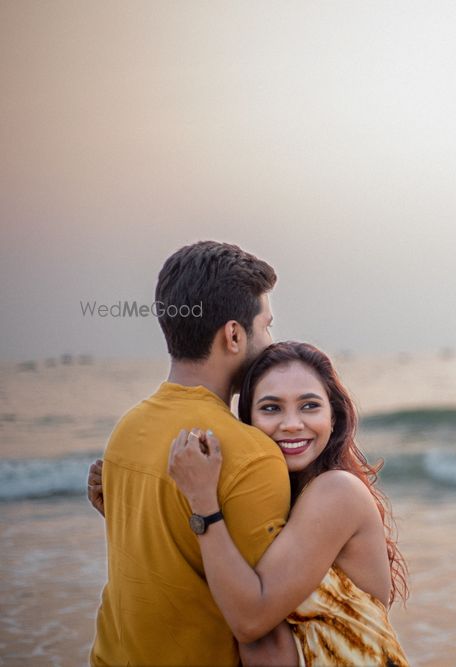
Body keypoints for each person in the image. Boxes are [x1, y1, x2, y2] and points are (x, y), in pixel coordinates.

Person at [89, 241, 294, 666]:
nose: (272, 339)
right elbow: (263, 628)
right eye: (267, 325)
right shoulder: (251, 453)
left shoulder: (126, 430)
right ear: (234, 335)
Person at [167, 341, 409, 666]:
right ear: (248, 421)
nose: (292, 423)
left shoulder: (337, 491)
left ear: (333, 418)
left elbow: (250, 621)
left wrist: (203, 501)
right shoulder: (278, 502)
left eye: (309, 406)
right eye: (271, 408)